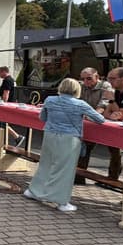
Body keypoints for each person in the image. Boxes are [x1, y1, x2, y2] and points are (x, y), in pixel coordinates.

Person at [23, 78, 106, 212]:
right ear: (77, 89)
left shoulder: (50, 100)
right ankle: (61, 201)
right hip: (69, 138)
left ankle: (34, 191)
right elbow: (100, 119)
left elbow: (42, 118)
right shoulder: (80, 104)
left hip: (50, 134)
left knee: (46, 164)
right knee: (64, 170)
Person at [75, 68, 120, 184]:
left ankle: (112, 180)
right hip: (90, 122)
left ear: (97, 77)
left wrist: (90, 116)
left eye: (89, 78)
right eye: (83, 79)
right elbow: (76, 101)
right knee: (84, 148)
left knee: (114, 150)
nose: (86, 81)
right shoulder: (81, 86)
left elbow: (103, 105)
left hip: (107, 122)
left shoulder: (106, 86)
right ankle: (79, 177)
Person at [0, 66, 25, 146]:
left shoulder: (7, 80)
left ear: (4, 71)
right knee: (1, 123)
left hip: (7, 104)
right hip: (12, 104)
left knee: (1, 122)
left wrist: (3, 104)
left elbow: (6, 93)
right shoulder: (12, 80)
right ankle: (2, 140)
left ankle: (17, 137)